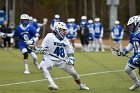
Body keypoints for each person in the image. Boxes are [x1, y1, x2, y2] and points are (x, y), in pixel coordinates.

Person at [39, 21, 89, 90]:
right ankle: (52, 84)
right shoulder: (49, 36)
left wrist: (71, 58)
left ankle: (81, 85)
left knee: (74, 74)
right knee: (42, 66)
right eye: (63, 30)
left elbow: (70, 50)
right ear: (57, 29)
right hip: (50, 58)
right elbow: (43, 46)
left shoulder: (65, 40)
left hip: (61, 60)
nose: (65, 32)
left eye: (65, 30)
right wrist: (42, 49)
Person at [118, 15, 140, 91]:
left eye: (131, 25)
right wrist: (125, 51)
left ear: (137, 23)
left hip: (139, 55)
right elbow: (131, 44)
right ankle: (137, 83)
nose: (130, 27)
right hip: (136, 55)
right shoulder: (133, 33)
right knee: (127, 69)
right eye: (129, 25)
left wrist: (138, 56)